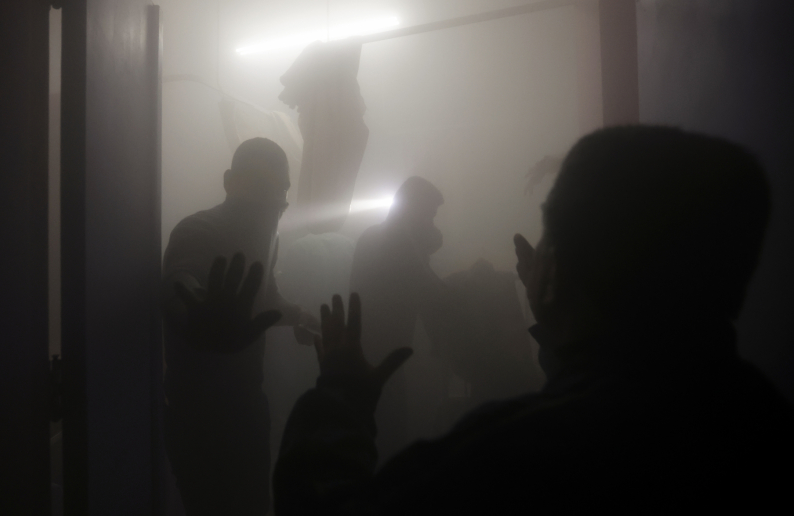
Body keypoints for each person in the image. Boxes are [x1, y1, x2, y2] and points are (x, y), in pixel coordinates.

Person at [273, 126, 794, 514]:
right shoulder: (758, 415)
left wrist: (338, 398)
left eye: (547, 236)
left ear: (554, 274)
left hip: (374, 371)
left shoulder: (513, 453)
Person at [161, 137, 318, 516]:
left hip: (246, 408)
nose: (274, 202)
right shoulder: (199, 229)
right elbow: (180, 281)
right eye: (262, 187)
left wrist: (299, 316)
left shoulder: (264, 238)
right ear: (229, 182)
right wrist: (197, 315)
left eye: (281, 192)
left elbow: (266, 297)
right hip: (201, 418)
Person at [348, 176, 449, 460]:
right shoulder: (399, 241)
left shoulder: (374, 235)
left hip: (368, 355)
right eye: (429, 214)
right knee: (389, 442)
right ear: (413, 209)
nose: (431, 222)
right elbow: (434, 293)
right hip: (382, 360)